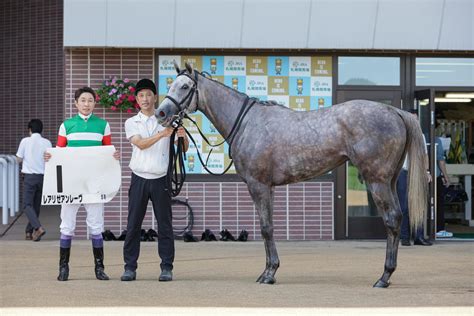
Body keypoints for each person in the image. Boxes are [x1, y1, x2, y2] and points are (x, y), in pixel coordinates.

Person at [44, 87, 120, 281]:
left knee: (96, 225)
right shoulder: (66, 125)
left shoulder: (103, 125)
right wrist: (50, 156)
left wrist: (114, 156)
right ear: (76, 103)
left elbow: (107, 152)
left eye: (90, 100)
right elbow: (60, 152)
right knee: (67, 224)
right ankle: (63, 268)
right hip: (70, 182)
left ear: (95, 103)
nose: (87, 104)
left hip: (94, 183)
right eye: (83, 100)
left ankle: (99, 268)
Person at [121, 78, 189, 282]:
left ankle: (166, 267)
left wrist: (182, 136)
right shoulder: (131, 122)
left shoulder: (166, 119)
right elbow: (140, 144)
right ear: (136, 99)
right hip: (139, 178)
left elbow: (183, 149)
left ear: (155, 97)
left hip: (161, 179)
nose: (145, 99)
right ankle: (129, 268)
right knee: (133, 224)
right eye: (141, 95)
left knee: (165, 225)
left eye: (148, 95)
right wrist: (162, 135)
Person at [397, 109, 432, 246]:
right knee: (404, 206)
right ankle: (404, 237)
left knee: (418, 204)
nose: (414, 121)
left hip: (417, 173)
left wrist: (427, 171)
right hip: (403, 172)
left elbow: (424, 155)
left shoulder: (420, 136)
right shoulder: (400, 134)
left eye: (415, 119)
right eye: (411, 119)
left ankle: (418, 237)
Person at [16, 119, 52, 241]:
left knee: (27, 205)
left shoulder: (25, 141)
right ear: (41, 130)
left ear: (29, 130)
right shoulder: (47, 142)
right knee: (35, 207)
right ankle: (29, 232)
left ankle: (38, 227)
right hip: (42, 178)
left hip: (29, 177)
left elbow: (19, 159)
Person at [435, 133, 452, 238]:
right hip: (435, 176)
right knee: (439, 202)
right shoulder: (436, 140)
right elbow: (440, 160)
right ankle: (439, 229)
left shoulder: (416, 136)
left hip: (417, 176)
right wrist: (446, 176)